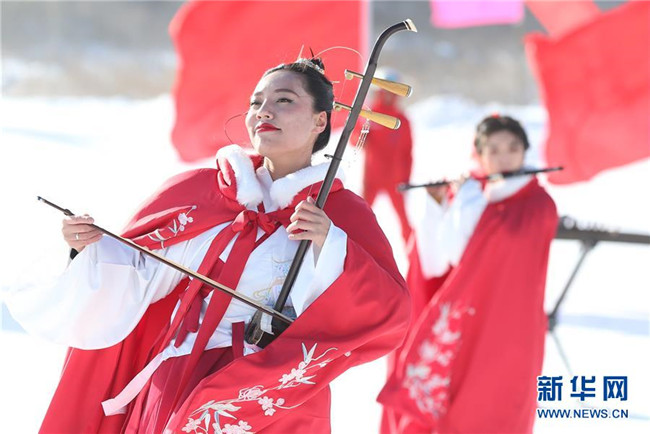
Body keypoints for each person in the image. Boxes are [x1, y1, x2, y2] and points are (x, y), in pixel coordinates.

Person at [6, 58, 410, 433]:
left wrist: (330, 243)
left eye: (284, 101)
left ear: (320, 120)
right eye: (256, 102)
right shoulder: (203, 190)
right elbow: (142, 275)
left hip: (274, 391)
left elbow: (386, 309)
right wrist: (88, 249)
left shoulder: (340, 213)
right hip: (181, 374)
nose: (263, 112)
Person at [378, 115, 558, 433]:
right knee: (452, 406)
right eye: (494, 149)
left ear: (525, 150)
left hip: (511, 326)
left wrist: (471, 202)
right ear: (479, 153)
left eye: (513, 148)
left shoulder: (537, 204)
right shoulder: (467, 194)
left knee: (497, 404)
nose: (504, 157)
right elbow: (438, 262)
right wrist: (439, 205)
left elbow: (480, 251)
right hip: (462, 319)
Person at [351, 68, 413, 243]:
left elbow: (408, 153)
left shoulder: (402, 120)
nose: (388, 96)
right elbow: (355, 141)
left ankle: (412, 253)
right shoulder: (369, 115)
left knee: (405, 223)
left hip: (395, 179)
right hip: (372, 178)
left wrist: (406, 180)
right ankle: (353, 246)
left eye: (392, 92)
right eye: (384, 91)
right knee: (359, 217)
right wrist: (362, 134)